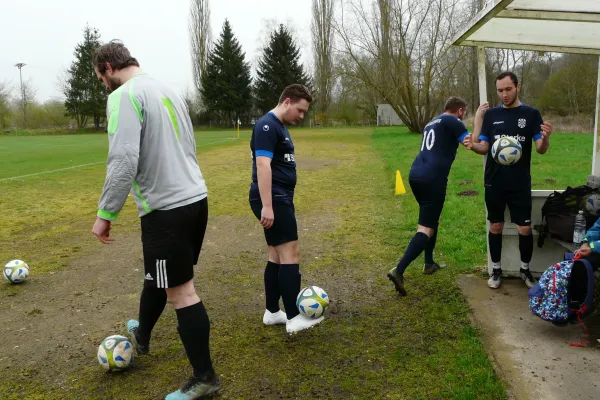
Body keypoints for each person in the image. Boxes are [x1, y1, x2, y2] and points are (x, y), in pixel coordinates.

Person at [91, 40, 219, 400]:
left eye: (101, 78)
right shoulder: (166, 89)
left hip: (167, 208)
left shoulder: (122, 96)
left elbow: (123, 159)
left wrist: (106, 213)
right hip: (195, 198)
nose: (104, 85)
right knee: (160, 276)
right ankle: (142, 335)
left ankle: (205, 378)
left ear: (108, 69)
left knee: (181, 291)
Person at [387, 97, 484, 296]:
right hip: (434, 178)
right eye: (464, 113)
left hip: (416, 174)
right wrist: (479, 119)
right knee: (426, 228)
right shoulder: (453, 121)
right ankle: (399, 270)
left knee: (433, 219)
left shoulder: (432, 122)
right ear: (459, 110)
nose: (463, 116)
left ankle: (429, 263)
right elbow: (470, 143)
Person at [469, 71, 553, 290]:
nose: (504, 94)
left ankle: (525, 270)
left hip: (519, 183)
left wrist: (545, 138)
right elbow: (484, 147)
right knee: (495, 226)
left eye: (508, 89)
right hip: (494, 182)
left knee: (524, 230)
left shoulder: (532, 114)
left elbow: (541, 150)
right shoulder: (491, 115)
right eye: (499, 90)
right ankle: (496, 270)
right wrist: (472, 145)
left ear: (518, 87)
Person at [249, 84, 322, 334]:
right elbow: (263, 165)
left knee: (277, 255)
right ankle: (294, 317)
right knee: (291, 254)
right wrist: (268, 206)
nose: (301, 117)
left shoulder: (279, 127)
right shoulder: (267, 126)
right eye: (300, 111)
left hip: (279, 198)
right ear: (287, 101)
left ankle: (272, 312)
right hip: (274, 199)